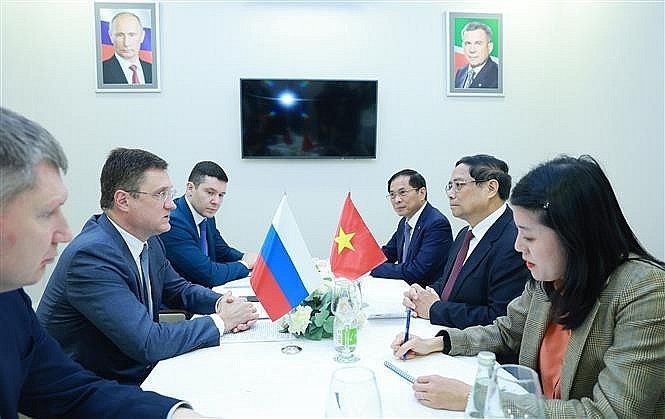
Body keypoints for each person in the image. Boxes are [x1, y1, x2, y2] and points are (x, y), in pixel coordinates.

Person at [392, 155, 665, 417]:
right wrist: (439, 342)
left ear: (574, 235)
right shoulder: (547, 279)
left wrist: (477, 397)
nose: (517, 246)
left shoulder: (644, 292)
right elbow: (507, 330)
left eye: (529, 237)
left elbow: (611, 413)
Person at [0, 107, 203, 418]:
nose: (65, 232)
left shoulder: (10, 300)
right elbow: (144, 343)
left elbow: (71, 390)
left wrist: (173, 414)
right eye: (46, 212)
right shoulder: (90, 254)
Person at [37, 148, 258, 385]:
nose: (172, 205)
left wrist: (220, 302)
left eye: (169, 194)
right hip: (88, 387)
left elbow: (179, 289)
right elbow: (148, 343)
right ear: (123, 200)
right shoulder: (91, 256)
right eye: (161, 194)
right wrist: (222, 321)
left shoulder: (149, 240)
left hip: (132, 370)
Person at [403, 155, 529, 330]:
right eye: (450, 186)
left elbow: (500, 318)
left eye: (459, 185)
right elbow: (450, 282)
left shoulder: (515, 240)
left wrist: (434, 309)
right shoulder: (465, 234)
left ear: (491, 188)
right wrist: (424, 294)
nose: (450, 194)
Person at [160, 161, 258, 287]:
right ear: (190, 188)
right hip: (177, 302)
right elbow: (209, 275)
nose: (216, 201)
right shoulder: (174, 221)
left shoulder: (206, 215)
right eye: (210, 193)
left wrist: (248, 257)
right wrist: (245, 264)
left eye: (221, 195)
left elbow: (223, 252)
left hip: (202, 294)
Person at [370, 169, 453, 287]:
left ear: (422, 193)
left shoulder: (437, 224)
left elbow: (416, 271)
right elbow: (388, 253)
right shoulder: (405, 221)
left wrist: (372, 268)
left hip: (426, 294)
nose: (397, 200)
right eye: (392, 195)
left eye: (403, 192)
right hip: (405, 290)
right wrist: (364, 261)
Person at [102, 11, 152, 84]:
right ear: (111, 36)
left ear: (142, 36)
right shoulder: (101, 70)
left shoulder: (153, 70)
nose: (126, 43)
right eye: (120, 35)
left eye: (131, 35)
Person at [453, 22, 498, 89]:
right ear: (463, 46)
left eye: (478, 43)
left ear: (489, 47)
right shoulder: (460, 72)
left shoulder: (498, 75)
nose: (472, 50)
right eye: (468, 43)